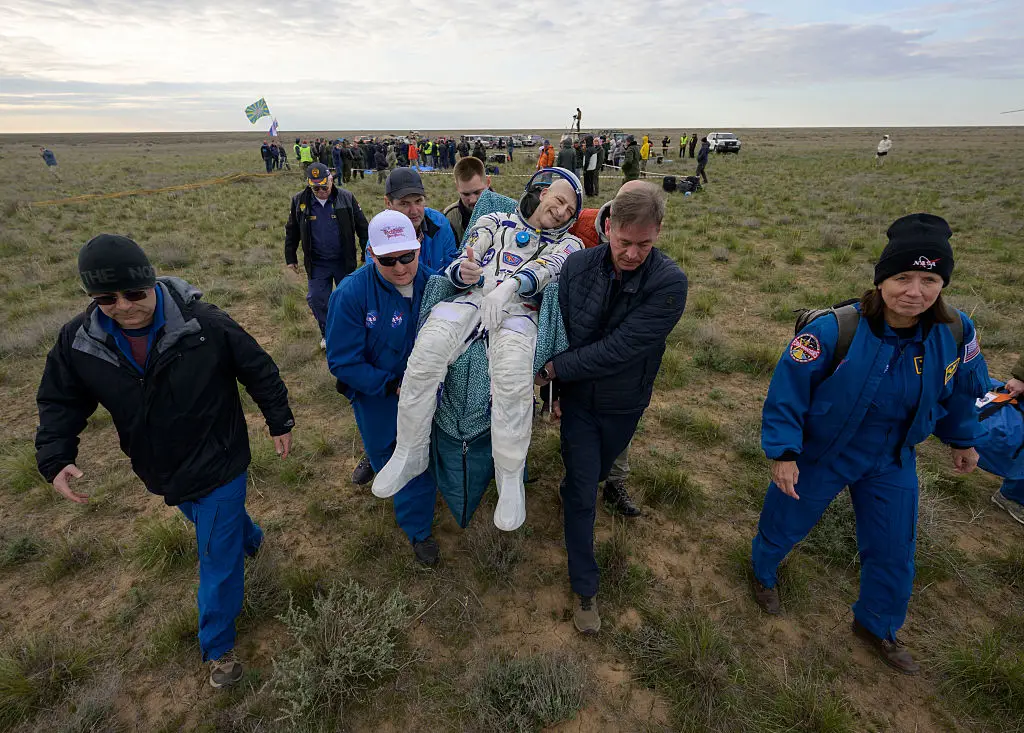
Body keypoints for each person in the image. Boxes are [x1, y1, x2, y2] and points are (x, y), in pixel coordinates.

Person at [36, 234, 294, 688]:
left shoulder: (203, 323)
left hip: (219, 456)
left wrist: (279, 419)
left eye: (133, 293)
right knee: (216, 525)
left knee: (215, 556)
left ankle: (218, 648)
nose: (122, 306)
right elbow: (60, 399)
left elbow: (256, 365)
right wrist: (55, 455)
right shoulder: (79, 339)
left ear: (151, 281)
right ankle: (251, 539)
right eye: (105, 298)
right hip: (158, 467)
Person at [750, 214, 987, 675]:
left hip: (893, 457)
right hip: (824, 452)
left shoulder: (957, 332)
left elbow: (962, 389)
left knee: (894, 546)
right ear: (881, 280)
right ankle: (762, 573)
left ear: (943, 283)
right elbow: (787, 392)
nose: (914, 292)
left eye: (929, 279)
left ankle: (877, 623)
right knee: (785, 520)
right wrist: (783, 453)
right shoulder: (834, 330)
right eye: (902, 277)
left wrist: (963, 439)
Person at [372, 170, 586, 532]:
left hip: (520, 311)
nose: (564, 212)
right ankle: (411, 450)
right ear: (544, 191)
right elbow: (465, 255)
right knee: (426, 354)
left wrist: (511, 287)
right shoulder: (494, 219)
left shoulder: (570, 244)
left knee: (512, 379)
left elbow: (549, 268)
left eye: (571, 210)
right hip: (472, 299)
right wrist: (465, 271)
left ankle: (509, 477)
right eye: (560, 201)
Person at [542, 184, 687, 634]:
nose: (631, 253)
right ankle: (585, 589)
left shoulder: (668, 283)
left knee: (600, 472)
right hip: (581, 403)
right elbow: (563, 329)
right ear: (607, 227)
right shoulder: (578, 266)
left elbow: (621, 349)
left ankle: (578, 487)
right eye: (624, 242)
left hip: (625, 404)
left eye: (644, 244)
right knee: (584, 491)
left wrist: (554, 368)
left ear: (658, 232)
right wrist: (558, 392)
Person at [325, 211, 442, 564]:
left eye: (407, 256)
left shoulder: (434, 284)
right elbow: (343, 361)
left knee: (426, 455)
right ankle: (418, 529)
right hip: (378, 396)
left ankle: (421, 512)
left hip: (427, 391)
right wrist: (390, 384)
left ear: (419, 246)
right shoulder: (351, 294)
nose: (401, 267)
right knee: (395, 455)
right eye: (388, 260)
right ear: (371, 254)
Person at [285, 162, 369, 349]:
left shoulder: (346, 198)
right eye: (316, 187)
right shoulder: (299, 201)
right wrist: (291, 258)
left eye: (324, 186)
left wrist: (366, 252)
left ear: (331, 179)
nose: (321, 190)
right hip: (317, 263)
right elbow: (292, 231)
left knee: (350, 299)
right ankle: (327, 333)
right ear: (309, 184)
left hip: (343, 261)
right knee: (316, 299)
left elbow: (363, 227)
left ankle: (354, 332)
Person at [384, 167, 458, 273]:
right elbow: (378, 284)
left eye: (418, 201)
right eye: (404, 204)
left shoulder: (440, 223)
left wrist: (460, 274)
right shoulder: (379, 235)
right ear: (388, 203)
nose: (414, 211)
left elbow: (451, 266)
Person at [443, 156, 491, 243]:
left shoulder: (508, 210)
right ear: (457, 187)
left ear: (488, 182)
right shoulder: (449, 218)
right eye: (466, 194)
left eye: (477, 192)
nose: (472, 200)